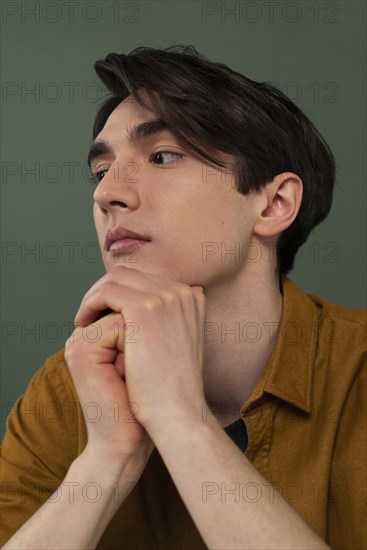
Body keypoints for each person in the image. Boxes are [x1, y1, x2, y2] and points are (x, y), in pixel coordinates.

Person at [0, 45, 365, 550]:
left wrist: (180, 421)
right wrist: (107, 461)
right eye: (101, 172)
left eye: (162, 156)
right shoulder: (65, 396)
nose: (107, 195)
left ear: (274, 203)